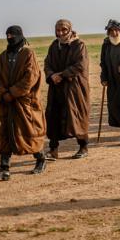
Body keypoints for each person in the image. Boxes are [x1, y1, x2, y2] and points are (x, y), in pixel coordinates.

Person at [0, 26, 46, 180]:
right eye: (7, 34)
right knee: (6, 133)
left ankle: (41, 159)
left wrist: (13, 93)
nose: (10, 37)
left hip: (25, 102)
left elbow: (31, 77)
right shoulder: (3, 56)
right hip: (7, 103)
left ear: (20, 36)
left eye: (13, 35)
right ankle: (4, 168)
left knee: (29, 132)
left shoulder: (28, 53)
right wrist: (3, 93)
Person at [44, 19, 91, 159]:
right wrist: (51, 75)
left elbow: (80, 65)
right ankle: (53, 150)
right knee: (53, 116)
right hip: (56, 87)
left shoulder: (79, 45)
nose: (61, 33)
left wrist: (62, 75)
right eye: (58, 30)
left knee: (77, 115)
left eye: (64, 30)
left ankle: (83, 147)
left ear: (70, 29)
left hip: (74, 88)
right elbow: (47, 63)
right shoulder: (54, 45)